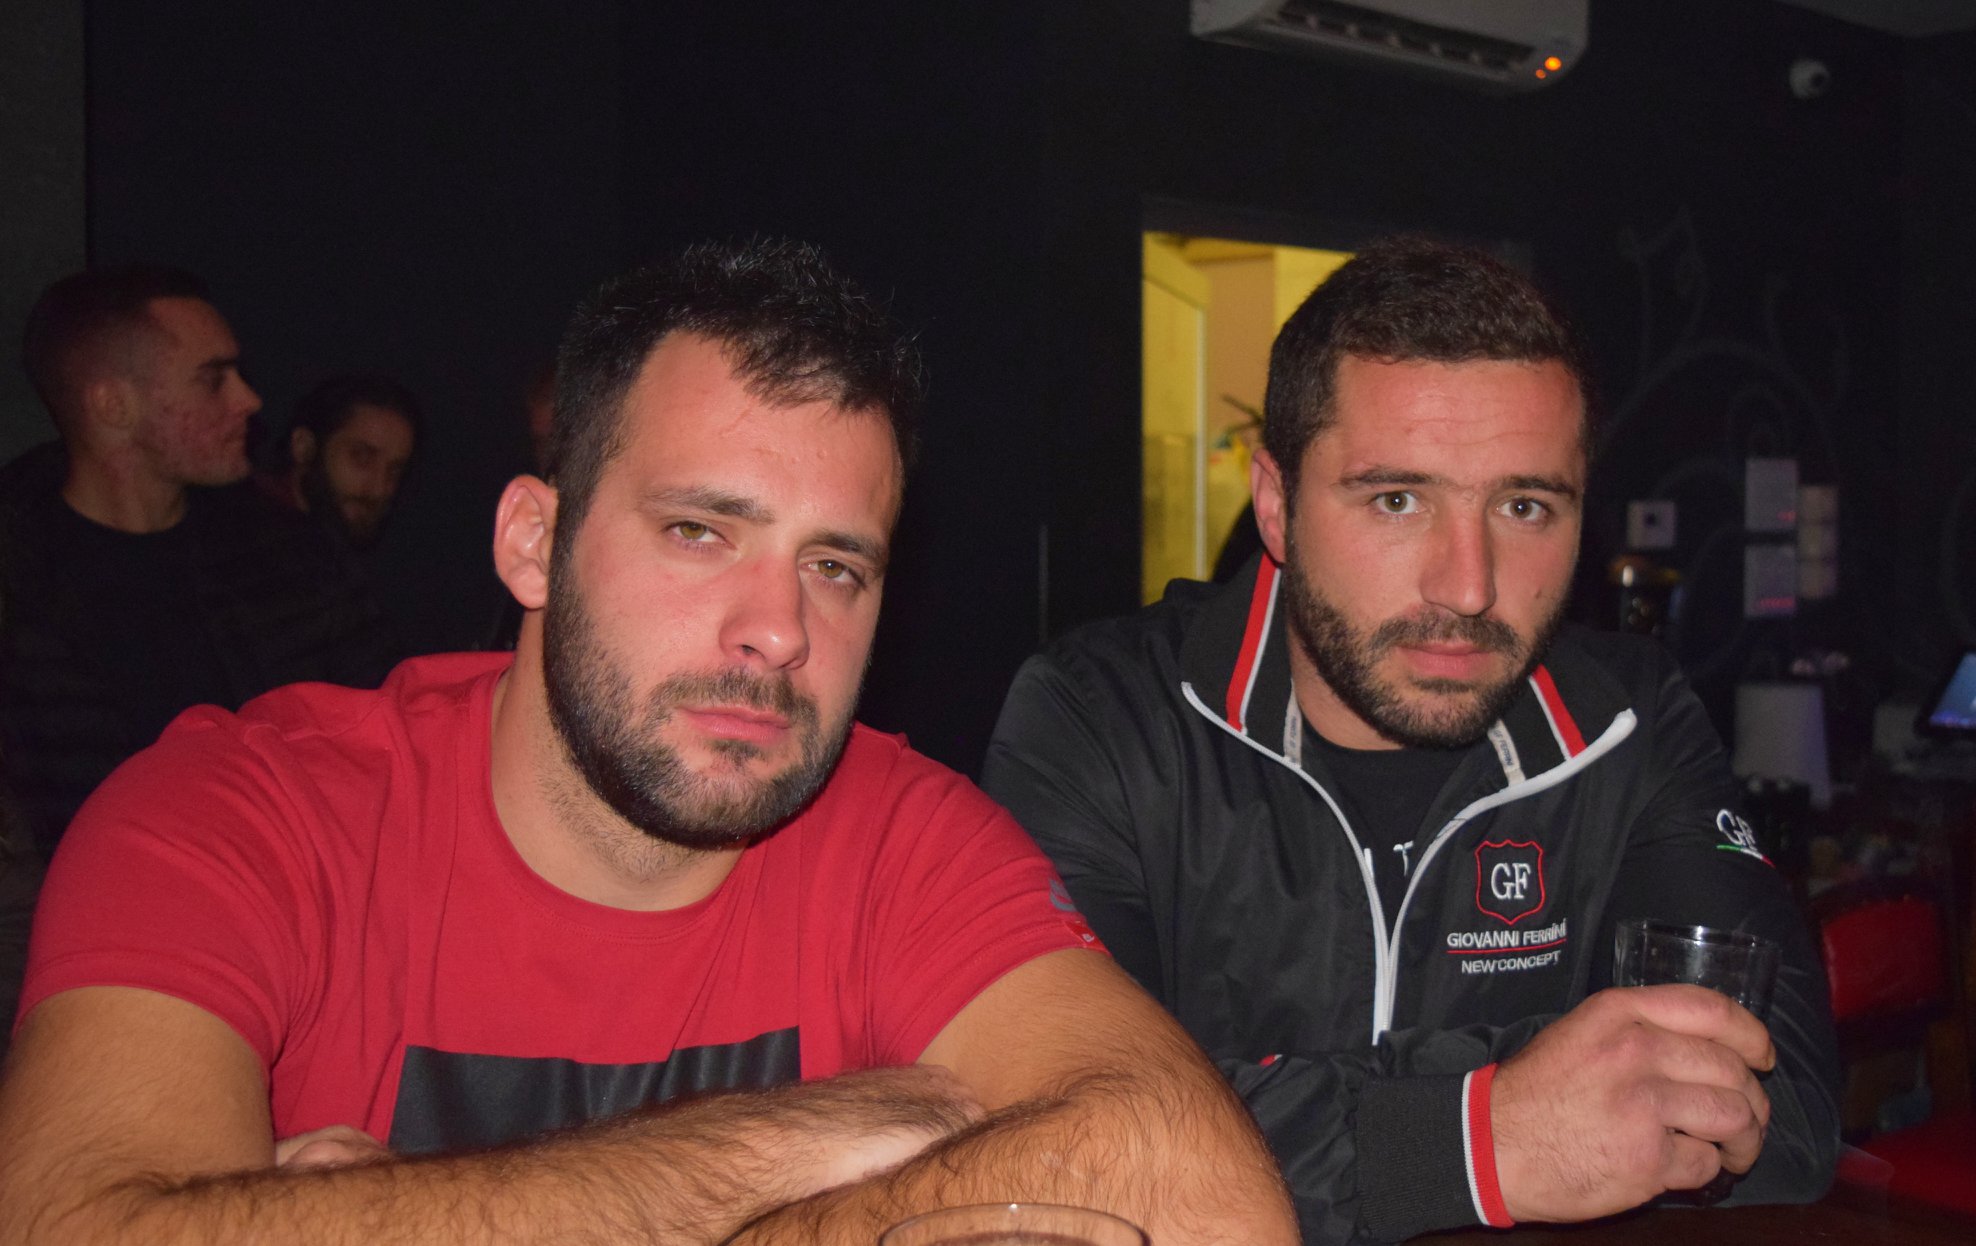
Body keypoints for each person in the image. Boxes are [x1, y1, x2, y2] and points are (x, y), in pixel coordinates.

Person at [0, 240, 1297, 1246]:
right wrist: (792, 1147)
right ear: (532, 543)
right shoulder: (235, 813)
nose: (777, 628)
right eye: (698, 531)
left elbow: (1210, 1196)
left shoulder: (903, 832)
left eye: (836, 565)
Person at [982, 236, 1842, 1244]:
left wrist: (1248, 1100)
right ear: (1275, 505)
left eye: (1523, 505)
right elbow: (1053, 1137)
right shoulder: (1103, 719)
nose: (1467, 584)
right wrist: (1485, 1137)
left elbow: (1784, 1109)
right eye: (1397, 499)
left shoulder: (1627, 720)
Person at [0, 266, 397, 856]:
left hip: (286, 892)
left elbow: (383, 749)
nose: (248, 400)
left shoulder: (290, 563)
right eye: (213, 380)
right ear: (113, 405)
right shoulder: (20, 588)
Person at [272, 373, 420, 549]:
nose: (378, 490)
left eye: (394, 471)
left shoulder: (323, 545)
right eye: (362, 457)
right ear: (304, 447)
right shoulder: (254, 537)